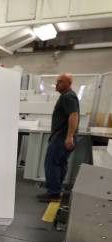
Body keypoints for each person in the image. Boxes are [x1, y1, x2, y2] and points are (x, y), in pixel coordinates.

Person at [37, 73, 79, 202]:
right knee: (60, 164)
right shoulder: (67, 96)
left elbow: (73, 115)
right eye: (57, 81)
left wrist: (69, 137)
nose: (57, 84)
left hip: (61, 137)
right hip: (62, 136)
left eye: (60, 81)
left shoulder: (68, 96)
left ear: (68, 84)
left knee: (52, 164)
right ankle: (56, 190)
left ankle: (54, 193)